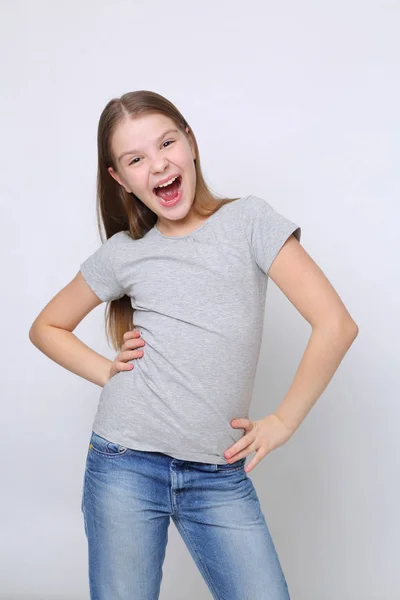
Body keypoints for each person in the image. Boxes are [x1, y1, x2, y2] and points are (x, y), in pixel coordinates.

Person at [29, 90, 358, 600]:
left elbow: (336, 324)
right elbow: (47, 326)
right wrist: (107, 371)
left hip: (218, 476)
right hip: (125, 463)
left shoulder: (248, 221)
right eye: (136, 159)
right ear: (119, 178)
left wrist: (283, 421)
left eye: (167, 143)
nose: (158, 164)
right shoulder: (125, 254)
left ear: (191, 143)